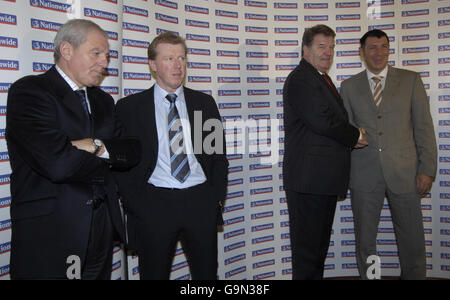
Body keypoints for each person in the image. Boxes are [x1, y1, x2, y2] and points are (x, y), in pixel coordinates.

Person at [6, 19, 140, 280]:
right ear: (67, 51)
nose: (104, 63)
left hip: (100, 231)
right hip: (50, 233)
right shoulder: (30, 92)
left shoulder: (103, 100)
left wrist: (94, 145)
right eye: (96, 53)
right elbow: (58, 164)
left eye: (107, 55)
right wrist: (107, 154)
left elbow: (132, 151)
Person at [114, 32, 228, 280]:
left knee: (206, 276)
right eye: (169, 58)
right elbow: (121, 164)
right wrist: (137, 204)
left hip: (200, 202)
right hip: (154, 204)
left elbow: (217, 156)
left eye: (182, 58)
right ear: (153, 65)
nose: (178, 65)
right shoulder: (130, 108)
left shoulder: (204, 103)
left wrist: (214, 200)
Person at [340, 29, 437, 280]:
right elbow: (345, 131)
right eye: (372, 47)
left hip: (404, 173)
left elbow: (424, 127)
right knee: (366, 241)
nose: (379, 52)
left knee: (412, 239)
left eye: (384, 46)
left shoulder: (411, 80)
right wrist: (353, 138)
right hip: (364, 175)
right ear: (361, 52)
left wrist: (427, 170)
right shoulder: (348, 87)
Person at [283, 24, 367, 280]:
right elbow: (323, 120)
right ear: (305, 49)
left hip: (321, 181)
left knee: (317, 251)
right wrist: (355, 135)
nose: (328, 52)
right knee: (308, 254)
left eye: (331, 47)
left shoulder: (321, 78)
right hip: (309, 182)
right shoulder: (301, 79)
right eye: (321, 46)